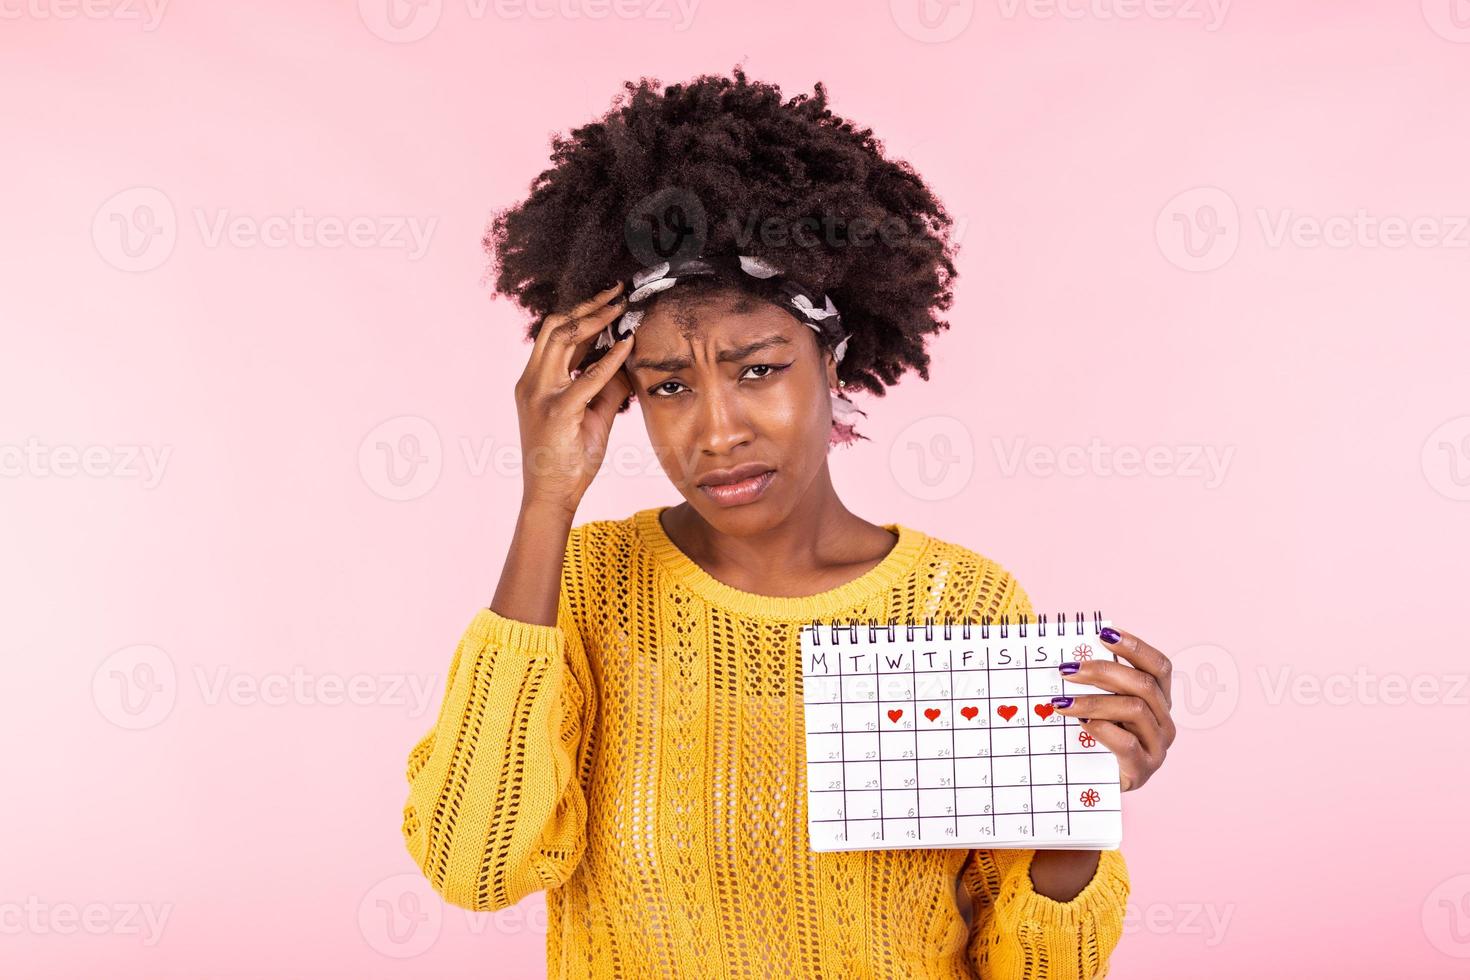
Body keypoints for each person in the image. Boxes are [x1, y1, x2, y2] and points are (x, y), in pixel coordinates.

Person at [400, 66, 1176, 979]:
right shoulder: (585, 585)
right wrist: (545, 502)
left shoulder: (957, 601)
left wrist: (1074, 812)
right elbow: (473, 866)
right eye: (671, 386)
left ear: (833, 361)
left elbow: (1037, 972)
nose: (718, 430)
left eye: (760, 368)